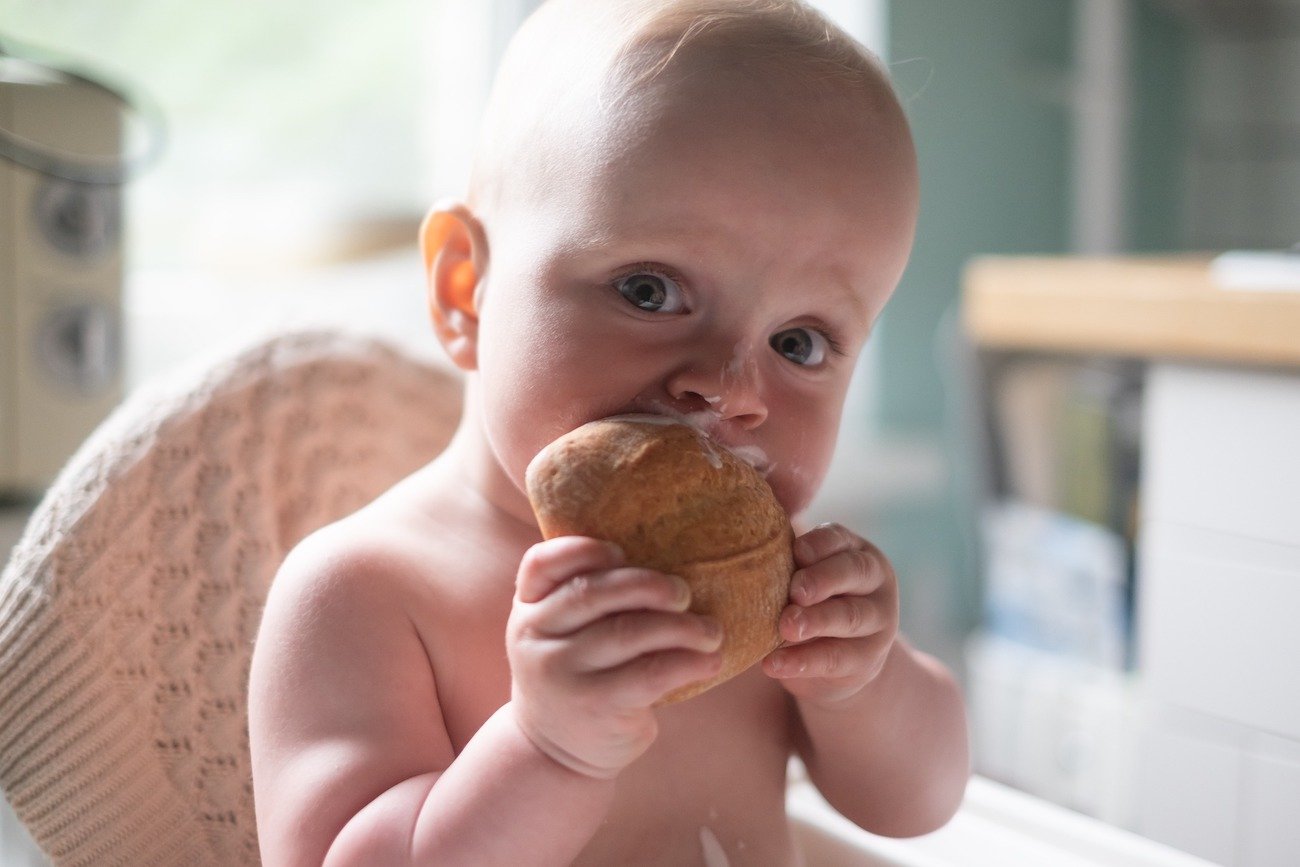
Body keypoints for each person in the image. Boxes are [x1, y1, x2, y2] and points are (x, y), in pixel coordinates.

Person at [248, 1, 970, 864]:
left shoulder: (769, 587)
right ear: (464, 288)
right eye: (649, 291)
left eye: (798, 343)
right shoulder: (369, 590)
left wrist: (865, 681)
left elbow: (923, 803)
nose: (730, 386)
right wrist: (545, 748)